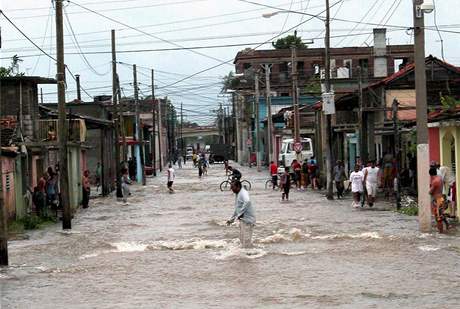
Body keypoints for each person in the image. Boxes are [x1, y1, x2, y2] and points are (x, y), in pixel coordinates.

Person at [226, 180, 256, 248]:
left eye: (233, 187)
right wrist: (231, 219)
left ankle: (250, 255)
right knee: (242, 240)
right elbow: (237, 208)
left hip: (248, 221)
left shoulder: (243, 193)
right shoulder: (238, 194)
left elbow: (247, 201)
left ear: (238, 186)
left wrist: (240, 213)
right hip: (243, 220)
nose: (232, 189)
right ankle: (246, 255)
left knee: (246, 242)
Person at [430, 166, 448, 233]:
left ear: (431, 174)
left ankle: (441, 233)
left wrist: (430, 190)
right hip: (441, 198)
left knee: (438, 217)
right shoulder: (440, 179)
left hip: (438, 200)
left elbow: (431, 191)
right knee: (440, 215)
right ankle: (444, 229)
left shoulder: (435, 181)